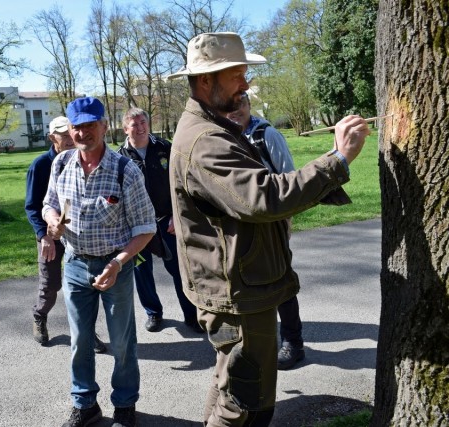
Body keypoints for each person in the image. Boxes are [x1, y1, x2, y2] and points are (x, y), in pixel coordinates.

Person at [166, 32, 370, 426]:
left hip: (238, 287)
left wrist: (332, 160)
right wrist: (338, 160)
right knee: (246, 403)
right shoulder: (206, 140)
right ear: (206, 81)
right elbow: (264, 197)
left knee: (231, 386)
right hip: (237, 296)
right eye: (238, 74)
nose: (246, 84)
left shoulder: (212, 127)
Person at [42, 97, 156, 427]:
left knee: (121, 342)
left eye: (90, 125)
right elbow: (48, 204)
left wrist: (119, 262)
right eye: (77, 127)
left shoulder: (125, 170)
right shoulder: (61, 164)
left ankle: (124, 406)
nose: (82, 132)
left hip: (114, 268)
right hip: (75, 264)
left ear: (104, 126)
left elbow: (146, 228)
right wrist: (52, 221)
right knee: (79, 342)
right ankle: (85, 405)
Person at [227, 94, 305, 370]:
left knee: (280, 280)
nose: (235, 111)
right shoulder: (224, 136)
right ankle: (258, 343)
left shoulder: (265, 135)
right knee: (250, 281)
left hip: (273, 220)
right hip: (243, 223)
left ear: (249, 105)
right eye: (231, 106)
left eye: (241, 105)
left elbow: (289, 177)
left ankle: (293, 343)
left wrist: (286, 221)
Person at [25, 116, 106, 353]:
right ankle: (39, 315)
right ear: (53, 138)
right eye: (62, 134)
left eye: (70, 132)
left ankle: (87, 333)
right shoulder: (41, 165)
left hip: (78, 235)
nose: (70, 138)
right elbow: (32, 206)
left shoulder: (82, 159)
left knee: (87, 286)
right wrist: (44, 236)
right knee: (50, 285)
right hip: (50, 235)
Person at [117, 107, 202, 333]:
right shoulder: (119, 158)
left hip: (168, 222)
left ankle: (191, 315)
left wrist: (177, 214)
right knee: (142, 272)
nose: (141, 127)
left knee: (178, 269)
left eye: (143, 121)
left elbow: (181, 183)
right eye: (134, 124)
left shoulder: (165, 147)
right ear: (125, 129)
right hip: (136, 228)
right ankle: (153, 313)